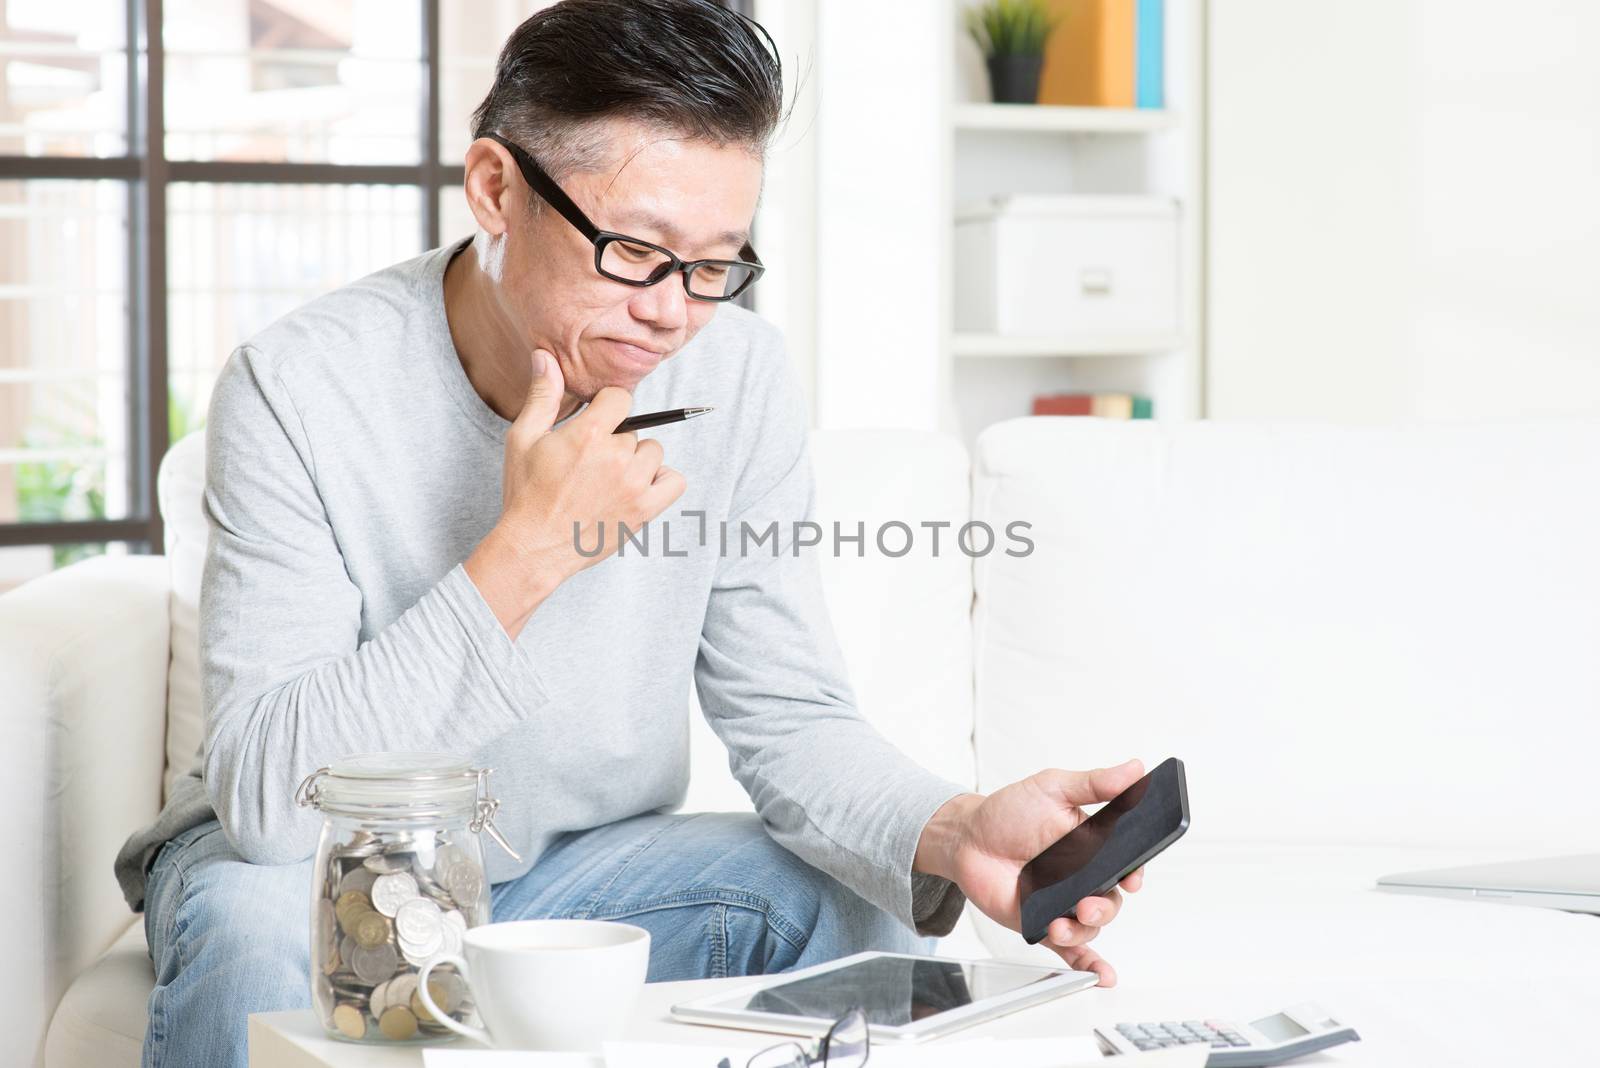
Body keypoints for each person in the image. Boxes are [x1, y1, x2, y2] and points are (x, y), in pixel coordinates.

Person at [115, 2, 1147, 1065]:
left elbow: (788, 715)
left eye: (715, 265)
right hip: (323, 875)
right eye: (634, 250)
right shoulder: (301, 385)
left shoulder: (736, 375)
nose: (674, 313)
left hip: (584, 871)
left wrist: (958, 826)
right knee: (249, 928)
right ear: (495, 190)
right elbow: (273, 808)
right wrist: (526, 554)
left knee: (840, 907)